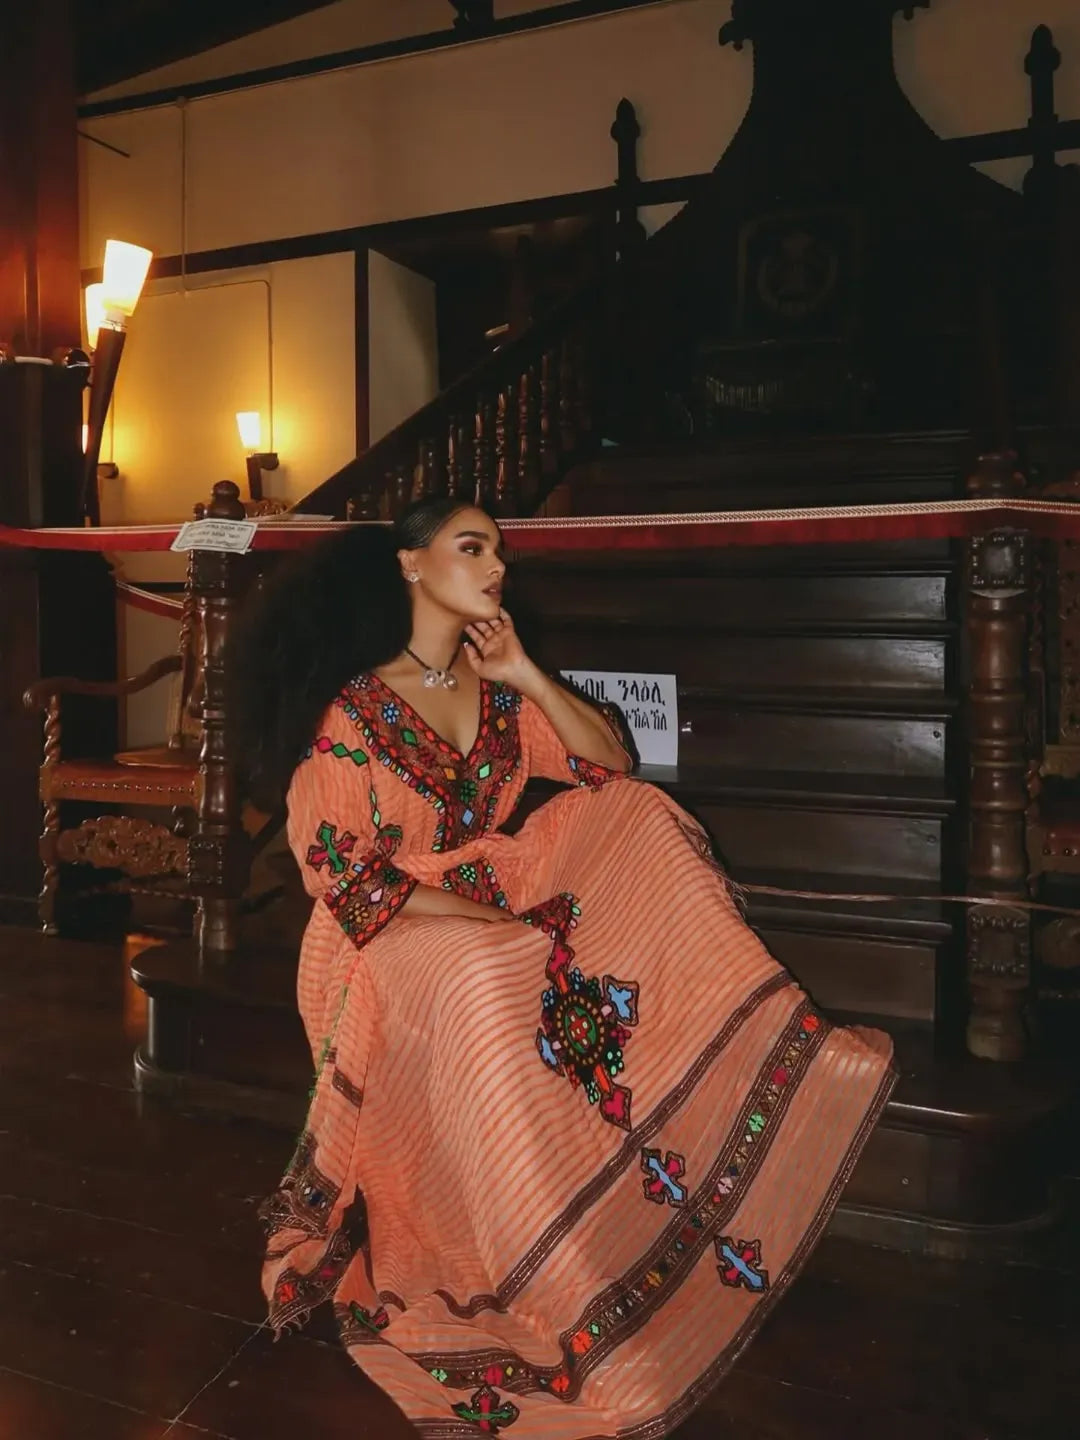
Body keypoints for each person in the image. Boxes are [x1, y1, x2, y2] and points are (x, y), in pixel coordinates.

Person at [230, 497, 895, 1439]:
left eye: (500, 548)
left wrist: (526, 673)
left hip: (492, 900)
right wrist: (501, 923)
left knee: (643, 820)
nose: (497, 563)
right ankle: (530, 1263)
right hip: (381, 932)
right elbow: (343, 875)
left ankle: (623, 1187)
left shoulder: (496, 689)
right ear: (412, 565)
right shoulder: (353, 710)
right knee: (484, 967)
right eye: (472, 547)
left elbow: (611, 761)